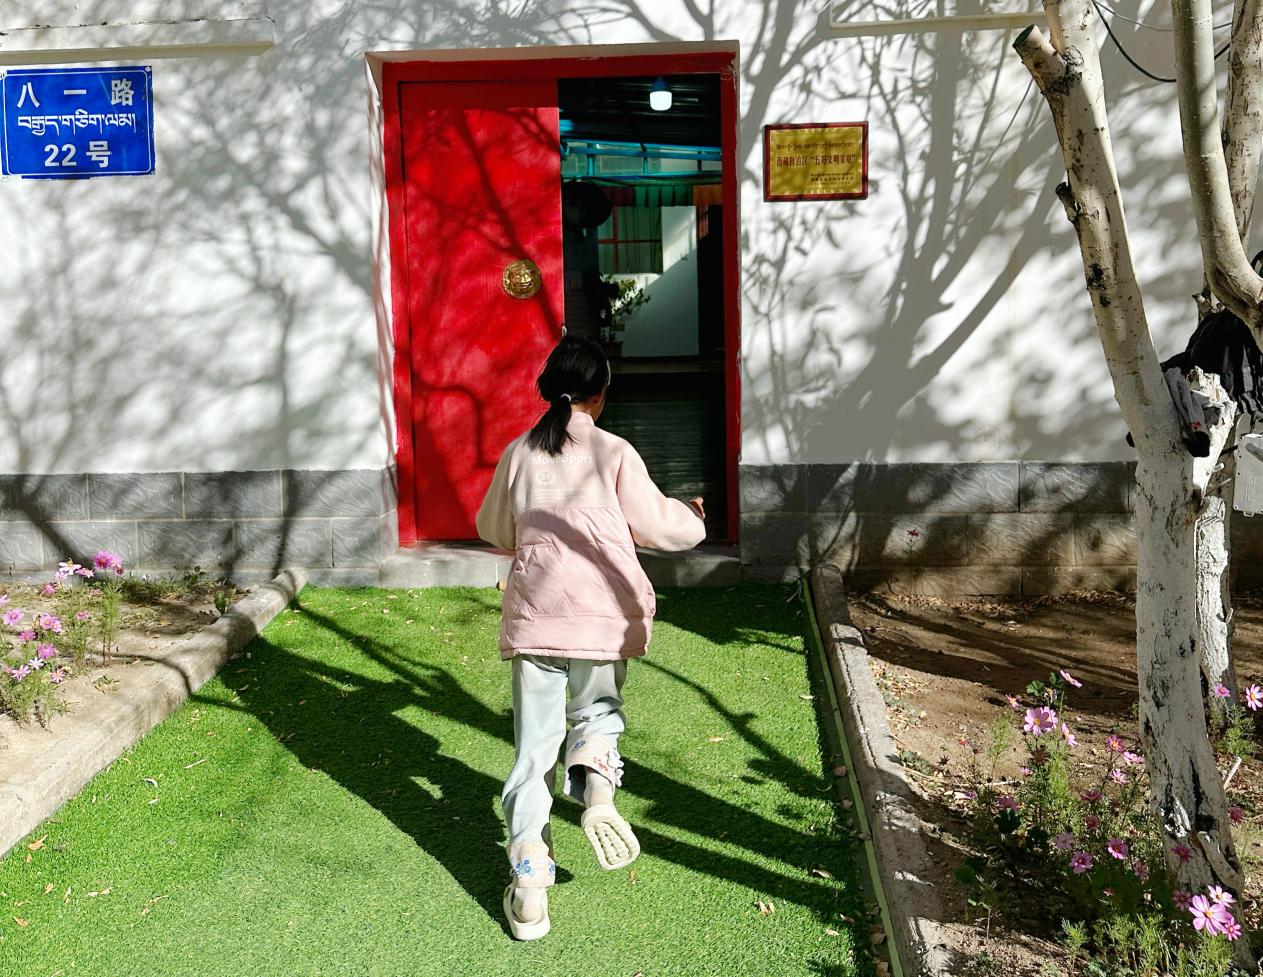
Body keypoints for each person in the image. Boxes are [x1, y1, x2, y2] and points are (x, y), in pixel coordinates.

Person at [476, 334, 706, 941]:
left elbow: (493, 526)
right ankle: (598, 792)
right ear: (600, 395)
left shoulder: (520, 453)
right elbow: (660, 527)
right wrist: (693, 517)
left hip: (537, 618)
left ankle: (529, 884)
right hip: (601, 618)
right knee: (597, 714)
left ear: (550, 390)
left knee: (533, 751)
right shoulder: (613, 452)